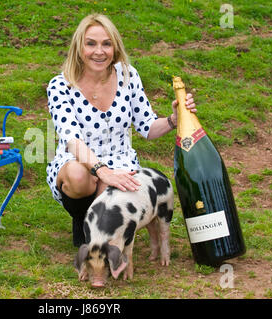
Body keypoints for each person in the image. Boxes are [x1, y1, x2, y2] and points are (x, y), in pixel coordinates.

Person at [46, 14, 197, 247]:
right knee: (79, 176)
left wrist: (173, 120)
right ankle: (81, 221)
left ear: (115, 47)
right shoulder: (60, 85)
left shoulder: (128, 75)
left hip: (120, 161)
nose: (99, 51)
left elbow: (147, 127)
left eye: (106, 44)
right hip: (78, 160)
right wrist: (102, 171)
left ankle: (104, 239)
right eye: (91, 43)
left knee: (112, 185)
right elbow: (71, 140)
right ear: (79, 47)